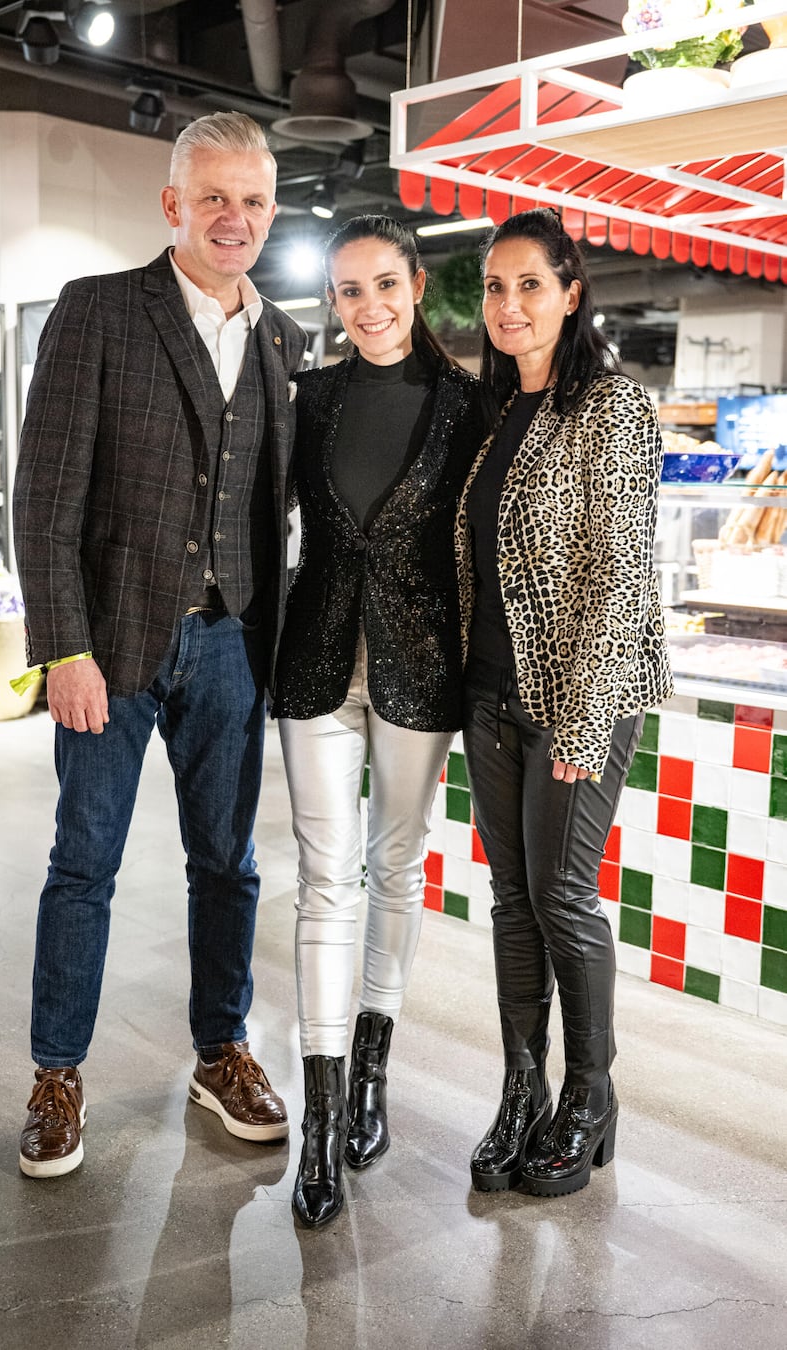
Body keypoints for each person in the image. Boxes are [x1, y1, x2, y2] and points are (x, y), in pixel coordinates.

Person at [12, 112, 308, 1179]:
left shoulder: (281, 338)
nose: (237, 219)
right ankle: (56, 1073)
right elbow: (44, 499)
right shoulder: (97, 312)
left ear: (272, 214)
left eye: (256, 201)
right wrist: (63, 648)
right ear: (174, 203)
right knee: (82, 863)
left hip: (233, 644)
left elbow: (277, 507)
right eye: (216, 198)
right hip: (115, 642)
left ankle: (220, 1051)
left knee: (227, 865)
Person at [456, 208, 673, 1198]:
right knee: (510, 900)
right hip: (492, 693)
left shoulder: (614, 409)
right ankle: (520, 1090)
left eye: (530, 285)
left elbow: (619, 575)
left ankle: (591, 1095)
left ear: (571, 291)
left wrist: (583, 723)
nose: (510, 305)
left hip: (580, 694)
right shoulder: (500, 412)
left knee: (560, 895)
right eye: (496, 288)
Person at [272, 215, 484, 1227]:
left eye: (384, 285)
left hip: (421, 667)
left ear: (416, 286)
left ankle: (371, 1077)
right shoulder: (305, 400)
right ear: (335, 302)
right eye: (349, 290)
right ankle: (316, 1128)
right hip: (314, 659)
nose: (368, 307)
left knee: (396, 871)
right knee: (324, 880)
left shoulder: (466, 405)